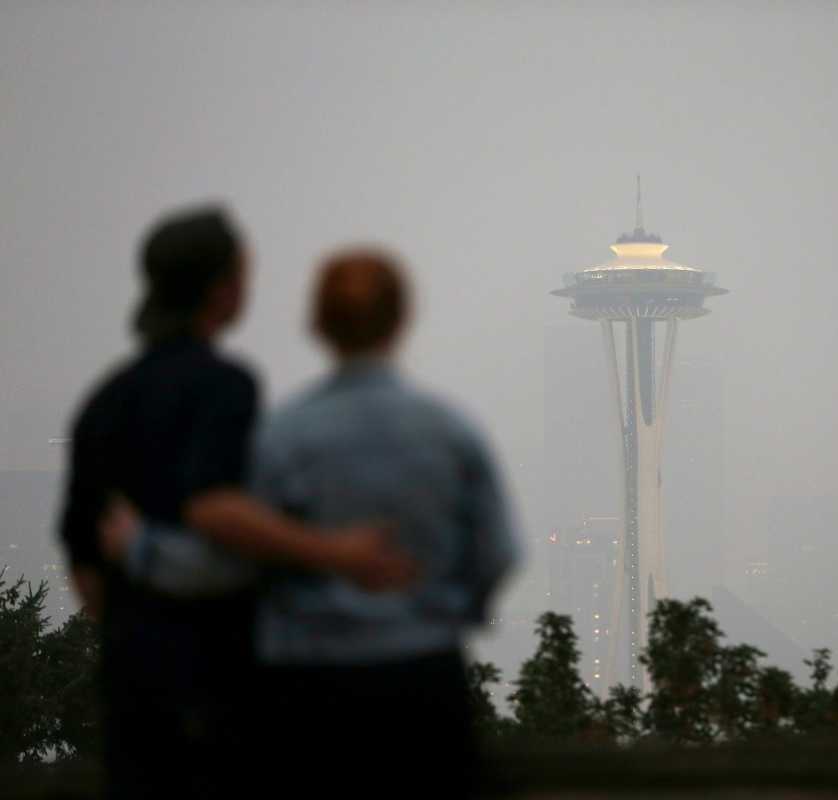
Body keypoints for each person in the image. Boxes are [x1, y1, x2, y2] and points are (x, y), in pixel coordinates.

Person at [106, 247, 521, 796]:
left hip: (308, 691)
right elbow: (499, 551)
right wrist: (441, 611)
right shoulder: (451, 433)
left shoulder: (282, 436)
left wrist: (143, 550)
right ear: (403, 319)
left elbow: (230, 561)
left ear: (318, 324)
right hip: (424, 684)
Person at [58, 206, 415, 799]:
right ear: (222, 292)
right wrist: (335, 553)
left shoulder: (104, 402)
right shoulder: (224, 386)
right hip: (219, 685)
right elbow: (213, 508)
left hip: (130, 689)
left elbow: (85, 564)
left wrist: (139, 624)